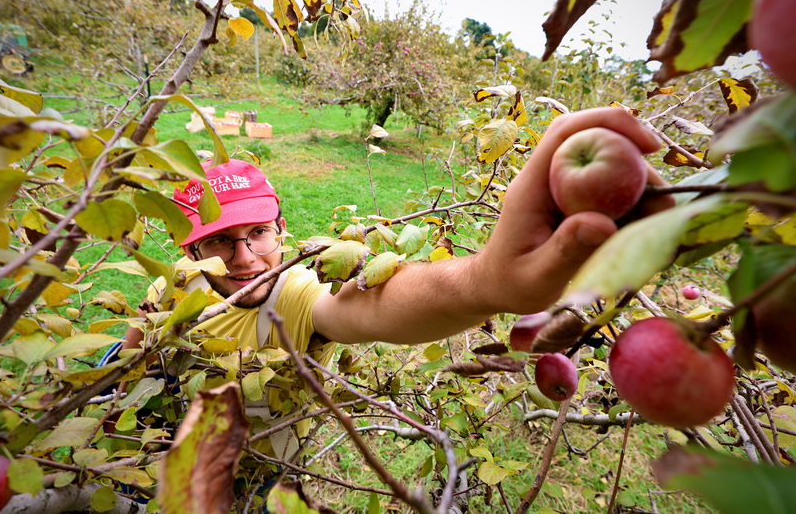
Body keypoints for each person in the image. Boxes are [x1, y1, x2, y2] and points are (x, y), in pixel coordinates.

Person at [120, 107, 670, 461]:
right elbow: (133, 353)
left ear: (282, 230)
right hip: (151, 455)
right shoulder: (176, 288)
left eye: (259, 233)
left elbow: (371, 309)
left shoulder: (297, 296)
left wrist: (487, 282)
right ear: (189, 251)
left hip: (258, 473)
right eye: (219, 241)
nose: (245, 257)